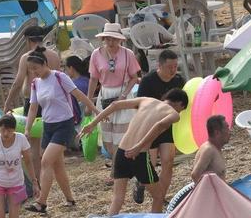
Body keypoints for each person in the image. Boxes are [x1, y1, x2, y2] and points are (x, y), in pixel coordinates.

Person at [80, 89, 189, 215]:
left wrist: (92, 124)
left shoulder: (145, 100)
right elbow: (159, 125)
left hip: (121, 152)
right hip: (139, 155)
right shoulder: (174, 114)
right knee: (159, 196)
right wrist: (138, 147)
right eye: (181, 109)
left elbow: (115, 105)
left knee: (118, 199)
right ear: (180, 104)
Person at [23, 51, 97, 214]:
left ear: (44, 64)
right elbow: (33, 108)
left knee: (45, 161)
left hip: (65, 124)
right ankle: (70, 199)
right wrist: (27, 128)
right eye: (31, 70)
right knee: (57, 166)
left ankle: (41, 202)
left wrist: (95, 110)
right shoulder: (35, 83)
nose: (34, 72)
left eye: (36, 68)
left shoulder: (59, 77)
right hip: (48, 126)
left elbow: (78, 94)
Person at [134, 50, 184, 204]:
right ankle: (140, 183)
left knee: (168, 162)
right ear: (159, 65)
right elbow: (139, 106)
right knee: (150, 165)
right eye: (170, 67)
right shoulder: (148, 81)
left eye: (176, 66)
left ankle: (160, 196)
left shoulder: (179, 80)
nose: (173, 70)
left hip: (168, 126)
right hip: (150, 126)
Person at [87, 23, 140, 163]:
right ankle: (118, 166)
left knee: (121, 136)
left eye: (114, 39)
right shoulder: (96, 54)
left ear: (120, 40)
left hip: (123, 94)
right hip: (105, 94)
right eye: (108, 39)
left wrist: (124, 94)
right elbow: (93, 79)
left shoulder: (128, 54)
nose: (111, 42)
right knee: (107, 138)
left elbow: (134, 77)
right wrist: (88, 102)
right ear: (104, 39)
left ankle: (116, 172)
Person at [0, 115, 37, 218]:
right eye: (3, 130)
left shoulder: (21, 139)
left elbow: (28, 161)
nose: (6, 133)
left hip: (16, 182)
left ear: (14, 129)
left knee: (14, 215)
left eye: (9, 131)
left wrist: (34, 182)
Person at [190, 115, 230, 183]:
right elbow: (195, 175)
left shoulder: (215, 147)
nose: (229, 131)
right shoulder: (209, 150)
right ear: (217, 133)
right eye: (227, 128)